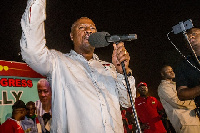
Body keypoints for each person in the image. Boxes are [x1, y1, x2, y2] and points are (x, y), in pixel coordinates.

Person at [20, 0, 136, 132]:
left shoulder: (108, 68)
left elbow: (126, 101)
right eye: (81, 28)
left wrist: (122, 71)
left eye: (92, 28)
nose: (88, 31)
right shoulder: (58, 62)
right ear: (71, 36)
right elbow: (32, 52)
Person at [158, 65, 200, 133]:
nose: (171, 72)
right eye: (168, 71)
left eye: (172, 70)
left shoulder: (175, 84)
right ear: (162, 74)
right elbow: (177, 103)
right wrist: (194, 103)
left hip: (193, 120)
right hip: (185, 122)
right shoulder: (164, 87)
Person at [175, 28, 200, 117]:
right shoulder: (184, 64)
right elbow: (181, 93)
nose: (191, 36)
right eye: (187, 36)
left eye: (195, 33)